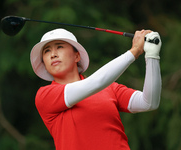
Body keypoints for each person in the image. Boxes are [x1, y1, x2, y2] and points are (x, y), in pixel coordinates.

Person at [30, 28, 162, 150]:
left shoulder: (110, 87)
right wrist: (134, 51)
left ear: (77, 56)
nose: (53, 54)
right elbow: (95, 83)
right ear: (44, 64)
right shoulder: (45, 95)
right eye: (47, 51)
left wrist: (152, 56)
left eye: (59, 47)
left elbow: (149, 103)